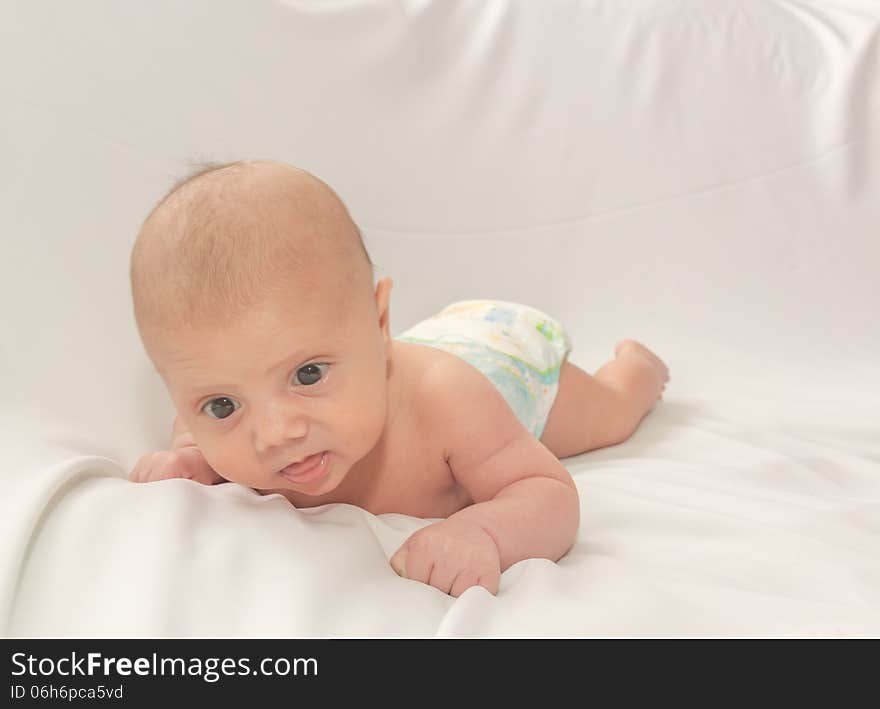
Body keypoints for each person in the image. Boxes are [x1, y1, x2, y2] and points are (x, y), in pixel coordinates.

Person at [129, 160, 669, 597]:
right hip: (412, 344)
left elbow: (549, 493)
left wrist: (484, 531)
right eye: (223, 406)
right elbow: (190, 429)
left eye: (308, 374)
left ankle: (636, 370)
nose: (274, 434)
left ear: (380, 323)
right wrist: (190, 460)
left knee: (610, 417)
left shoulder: (447, 400)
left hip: (504, 360)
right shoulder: (227, 405)